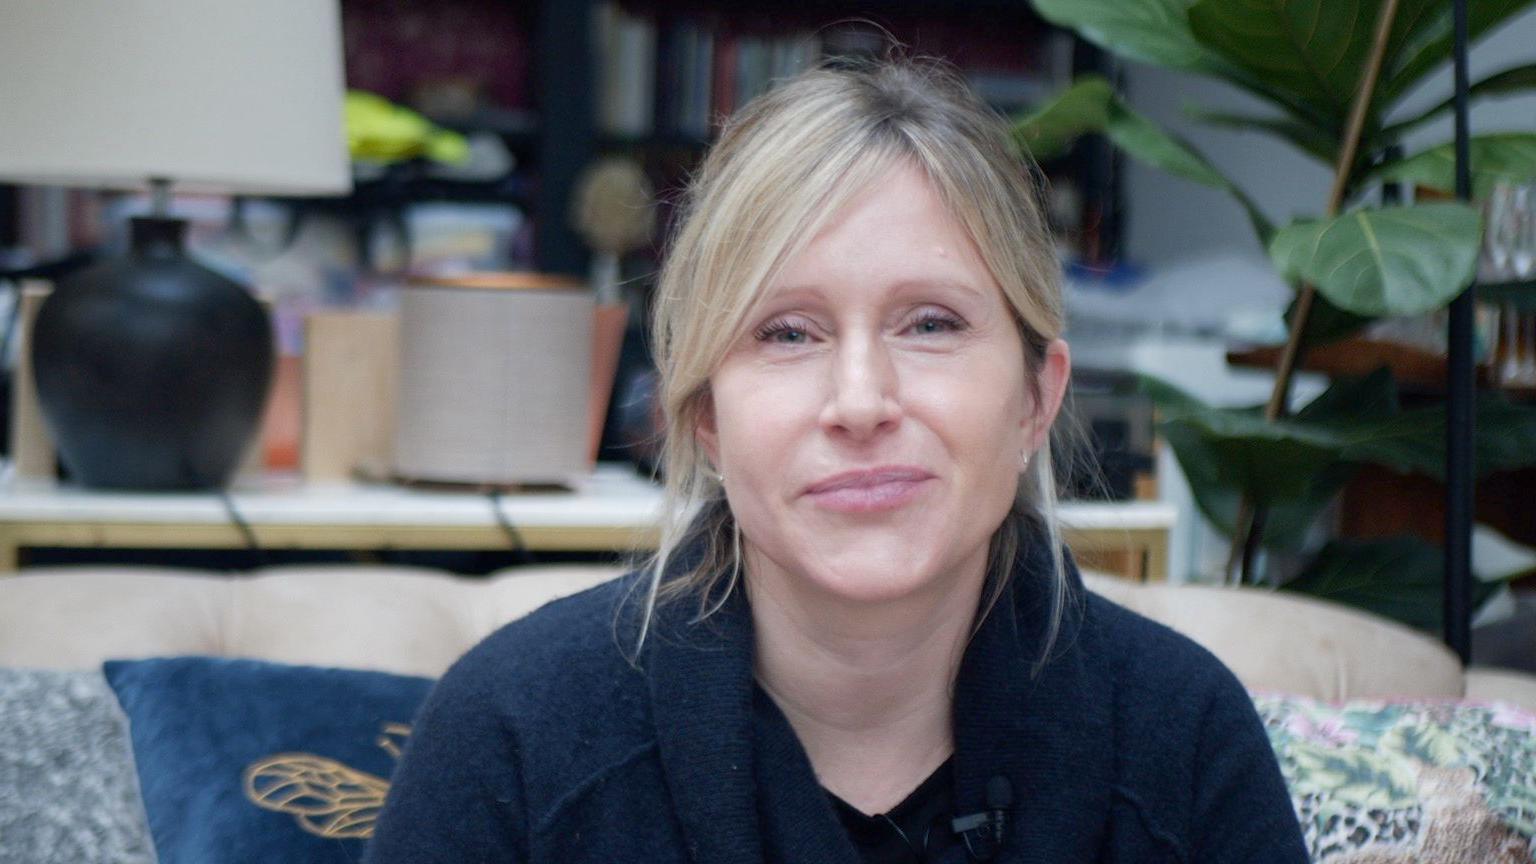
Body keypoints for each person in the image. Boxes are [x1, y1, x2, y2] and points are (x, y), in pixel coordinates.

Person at [364, 53, 1308, 863]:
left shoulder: (1184, 742)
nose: (861, 402)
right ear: (704, 422)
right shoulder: (512, 738)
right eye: (786, 333)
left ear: (1036, 396)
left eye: (931, 322)